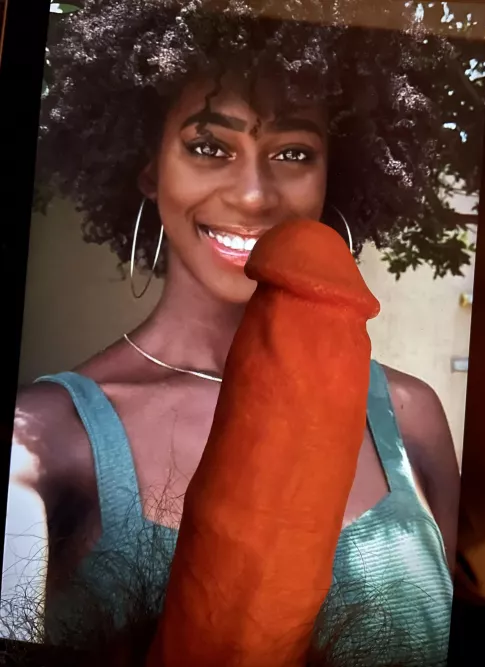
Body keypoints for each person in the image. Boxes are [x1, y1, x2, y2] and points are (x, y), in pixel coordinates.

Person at [9, 0, 460, 664]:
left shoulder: (412, 416)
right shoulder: (45, 440)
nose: (253, 194)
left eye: (294, 152)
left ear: (333, 174)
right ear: (148, 167)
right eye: (209, 146)